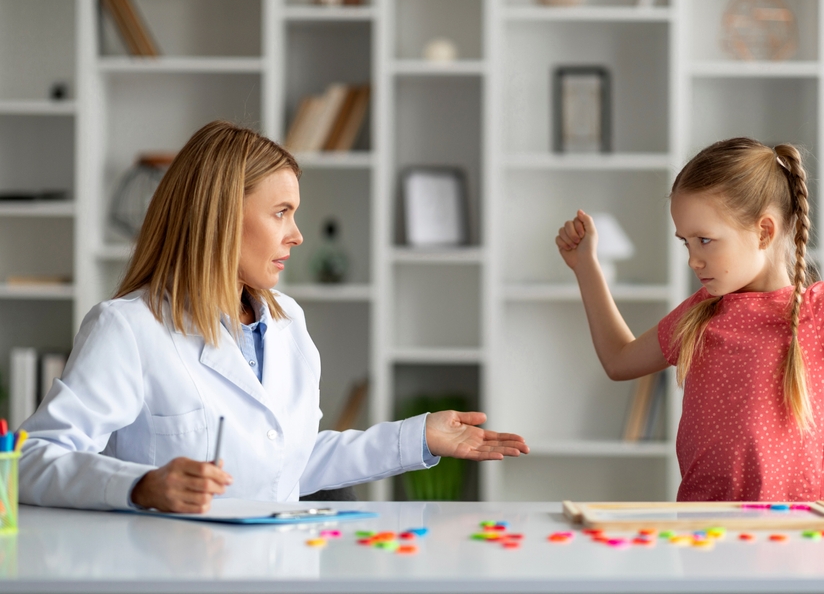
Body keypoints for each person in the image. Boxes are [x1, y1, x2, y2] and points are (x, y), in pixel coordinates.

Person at [20, 120, 528, 513]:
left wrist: (418, 437)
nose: (297, 235)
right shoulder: (129, 329)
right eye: (281, 212)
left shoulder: (288, 324)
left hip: (279, 566)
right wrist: (141, 486)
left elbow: (288, 461)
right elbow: (32, 460)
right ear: (220, 217)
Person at [555, 136, 824, 502]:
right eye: (686, 242)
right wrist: (586, 267)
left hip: (793, 536)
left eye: (705, 240)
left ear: (764, 232)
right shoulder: (699, 314)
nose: (693, 259)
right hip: (702, 532)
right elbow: (620, 360)